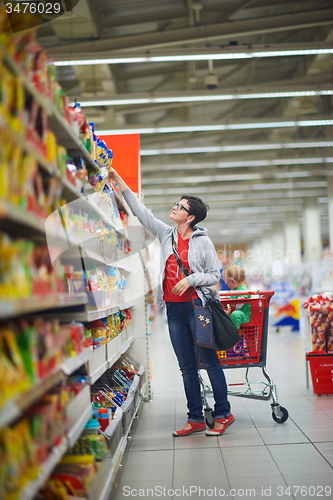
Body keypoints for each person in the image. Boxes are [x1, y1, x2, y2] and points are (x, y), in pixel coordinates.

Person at [108, 167, 234, 437]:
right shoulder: (166, 234)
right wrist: (119, 181)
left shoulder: (203, 242)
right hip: (174, 310)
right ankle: (195, 417)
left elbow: (214, 275)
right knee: (187, 366)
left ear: (190, 217)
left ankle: (223, 413)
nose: (175, 207)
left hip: (196, 308)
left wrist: (190, 280)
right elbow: (143, 214)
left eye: (180, 206)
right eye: (177, 203)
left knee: (209, 361)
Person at [222, 265, 251, 329]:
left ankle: (233, 334)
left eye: (228, 283)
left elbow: (239, 305)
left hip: (244, 313)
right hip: (235, 311)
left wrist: (230, 311)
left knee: (235, 315)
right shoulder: (234, 289)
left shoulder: (243, 290)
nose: (228, 285)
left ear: (233, 281)